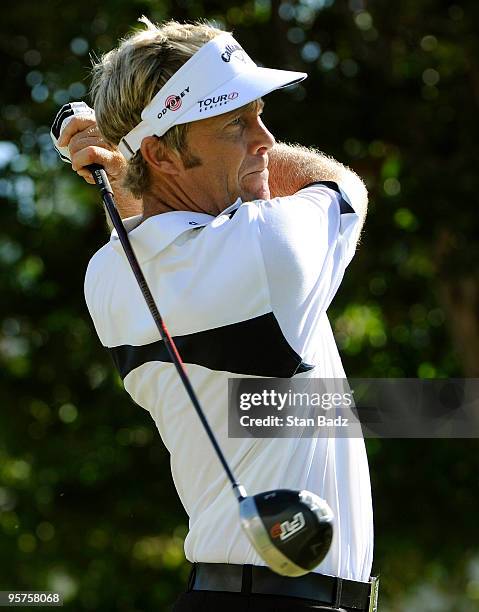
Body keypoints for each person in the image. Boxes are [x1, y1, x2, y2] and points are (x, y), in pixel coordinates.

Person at [52, 17, 378, 612]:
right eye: (236, 123)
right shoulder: (271, 245)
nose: (266, 140)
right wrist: (125, 166)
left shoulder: (105, 279)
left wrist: (128, 168)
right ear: (163, 153)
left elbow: (148, 241)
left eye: (259, 115)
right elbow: (341, 185)